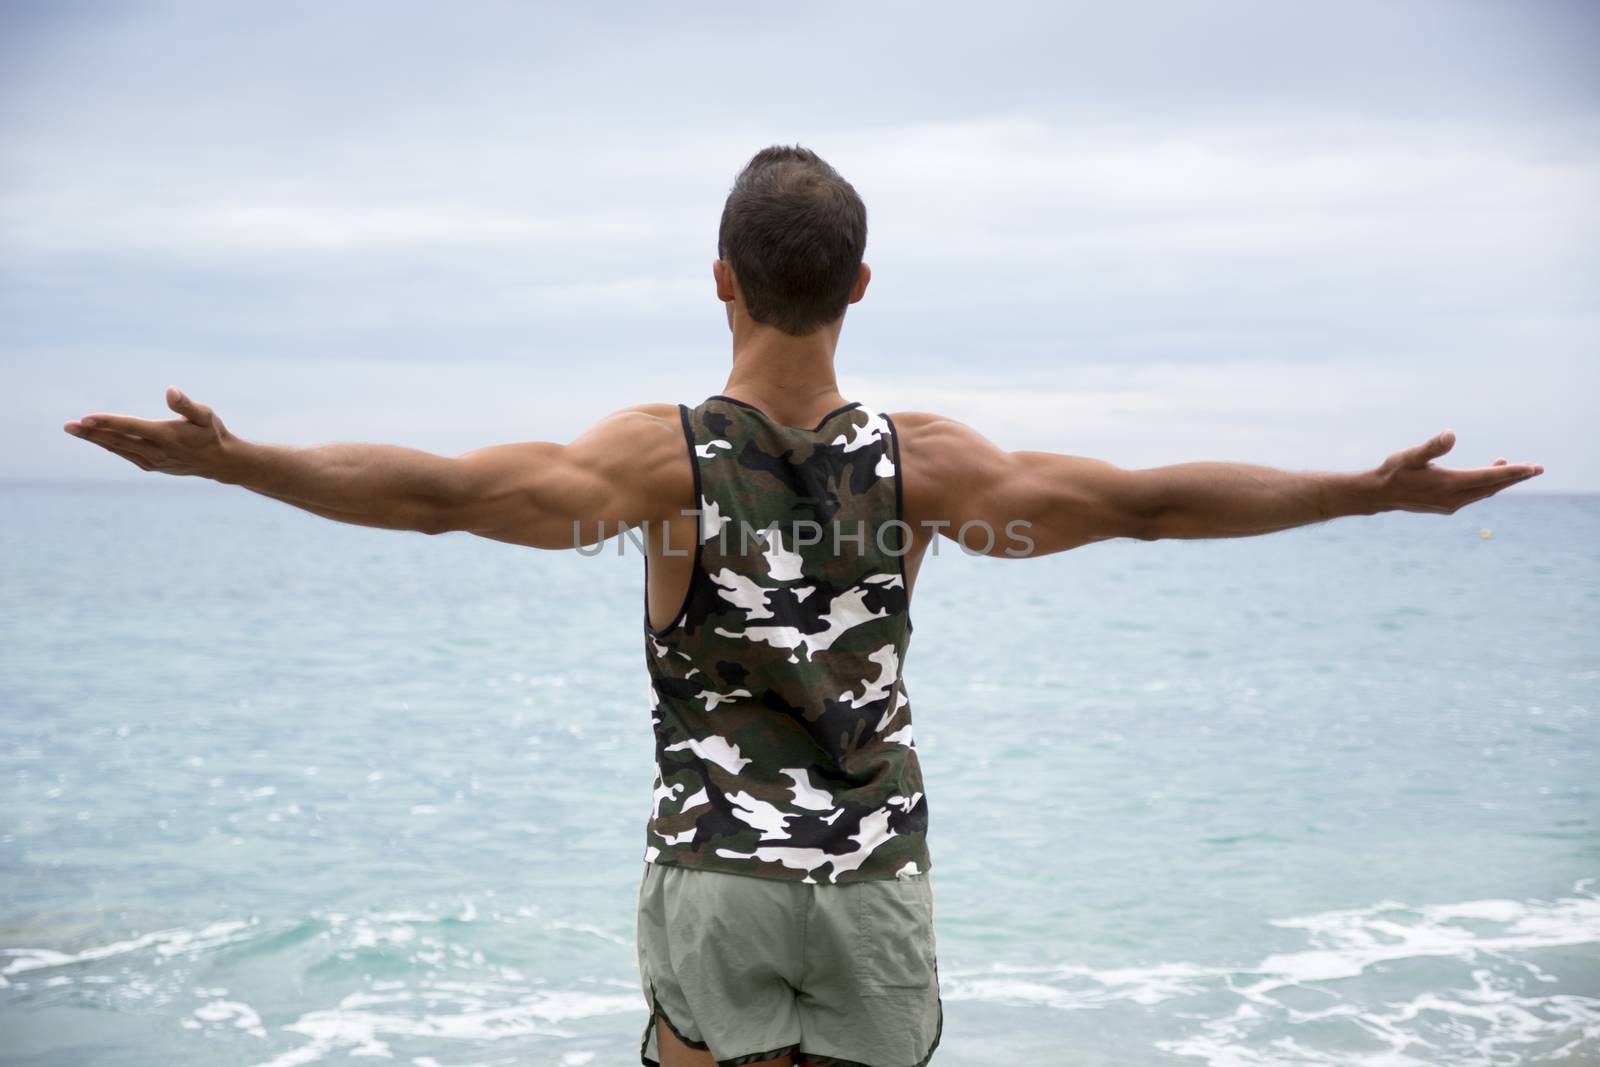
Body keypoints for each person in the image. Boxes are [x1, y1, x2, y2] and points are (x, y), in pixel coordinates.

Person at [62, 145, 1543, 1067]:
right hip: (874, 886)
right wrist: (1366, 490)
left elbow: (442, 494)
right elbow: (1153, 502)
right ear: (860, 285)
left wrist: (239, 462)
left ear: (722, 277)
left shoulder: (653, 461)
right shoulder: (934, 466)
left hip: (717, 879)